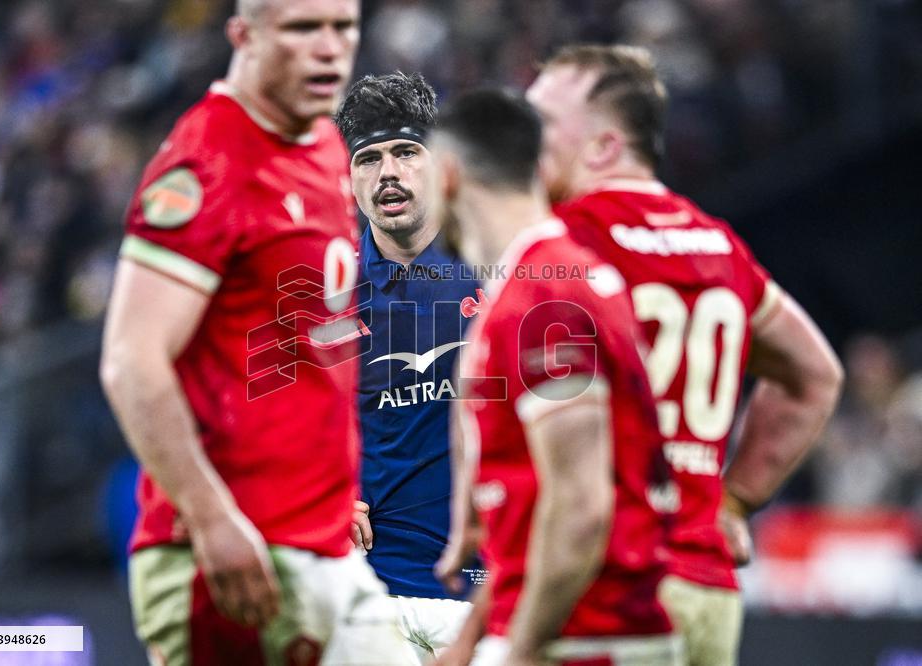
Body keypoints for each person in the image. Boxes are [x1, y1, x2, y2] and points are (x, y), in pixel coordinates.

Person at [99, 1, 415, 664]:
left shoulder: (327, 148)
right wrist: (213, 520)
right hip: (235, 552)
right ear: (243, 35)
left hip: (321, 541)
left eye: (343, 27)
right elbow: (132, 361)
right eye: (303, 28)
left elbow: (303, 348)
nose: (329, 48)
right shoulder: (208, 161)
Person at [526, 44, 845, 666]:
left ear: (603, 146)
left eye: (543, 123)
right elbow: (814, 375)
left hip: (611, 585)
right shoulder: (718, 245)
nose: (524, 138)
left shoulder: (568, 240)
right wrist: (733, 501)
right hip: (707, 591)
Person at [429, 89, 681, 666]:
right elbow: (545, 496)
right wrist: (472, 640)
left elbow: (580, 505)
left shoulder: (542, 299)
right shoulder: (553, 278)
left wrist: (519, 649)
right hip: (578, 628)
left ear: (446, 175)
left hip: (585, 637)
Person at [334, 72, 483, 664]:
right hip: (375, 594)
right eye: (367, 159)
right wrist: (328, 495)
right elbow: (276, 425)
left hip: (489, 590)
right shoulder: (324, 293)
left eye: (405, 152)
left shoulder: (504, 268)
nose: (386, 173)